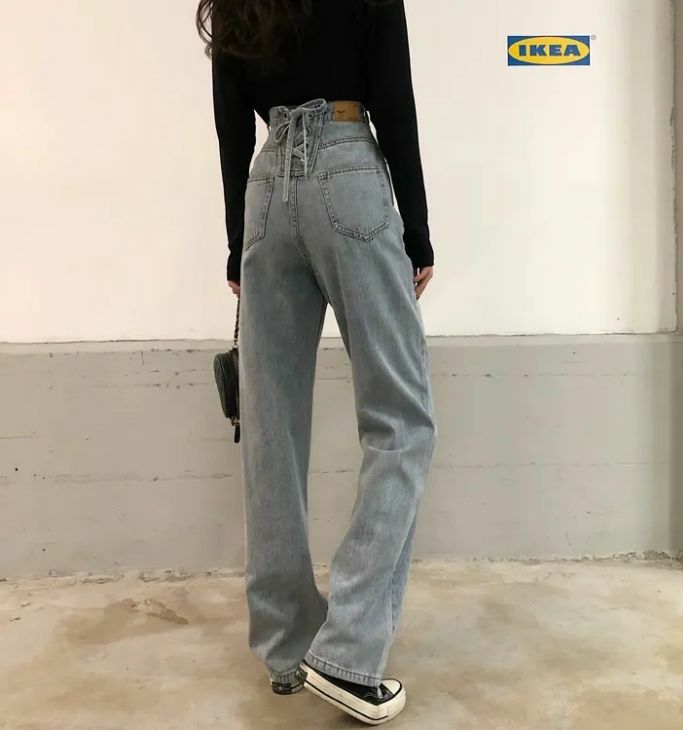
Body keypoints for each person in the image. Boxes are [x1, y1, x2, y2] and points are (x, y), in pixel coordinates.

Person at [197, 0, 437, 724]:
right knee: (401, 419)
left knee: (270, 431)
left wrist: (238, 243)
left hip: (266, 187)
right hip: (347, 171)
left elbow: (230, 120)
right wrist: (417, 232)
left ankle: (287, 646)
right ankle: (349, 648)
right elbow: (393, 100)